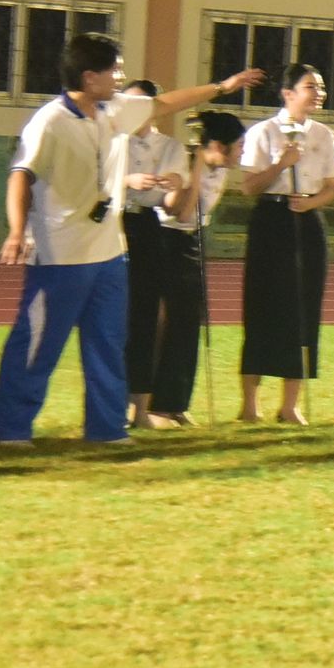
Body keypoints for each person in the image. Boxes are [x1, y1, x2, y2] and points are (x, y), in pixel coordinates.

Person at [0, 33, 259, 445]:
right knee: (39, 342)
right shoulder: (50, 122)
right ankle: (11, 429)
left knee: (109, 344)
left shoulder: (114, 110)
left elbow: (167, 103)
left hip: (110, 254)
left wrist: (223, 87)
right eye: (114, 69)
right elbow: (20, 176)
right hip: (61, 254)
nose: (120, 76)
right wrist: (15, 230)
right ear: (89, 76)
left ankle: (107, 427)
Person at [236, 64, 334, 424]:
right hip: (271, 220)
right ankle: (250, 403)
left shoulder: (324, 135)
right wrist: (282, 164)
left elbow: (332, 185)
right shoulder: (262, 132)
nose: (318, 93)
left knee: (303, 307)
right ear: (288, 93)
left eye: (321, 87)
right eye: (311, 87)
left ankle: (290, 405)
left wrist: (312, 204)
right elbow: (248, 186)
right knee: (262, 306)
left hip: (307, 219)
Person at [143, 110, 244, 426]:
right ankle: (152, 405)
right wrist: (196, 169)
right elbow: (182, 212)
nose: (241, 152)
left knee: (188, 323)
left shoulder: (221, 171)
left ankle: (176, 402)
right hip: (166, 241)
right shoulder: (183, 164)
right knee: (164, 323)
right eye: (238, 146)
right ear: (218, 146)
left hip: (192, 241)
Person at [116, 81, 187, 430]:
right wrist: (127, 180)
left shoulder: (170, 147)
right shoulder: (113, 140)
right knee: (112, 318)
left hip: (146, 226)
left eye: (139, 104)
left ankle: (141, 409)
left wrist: (175, 184)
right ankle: (110, 405)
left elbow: (172, 206)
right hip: (111, 223)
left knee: (145, 318)